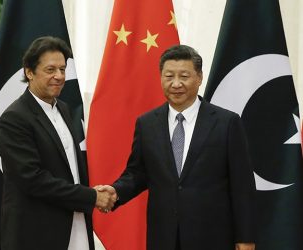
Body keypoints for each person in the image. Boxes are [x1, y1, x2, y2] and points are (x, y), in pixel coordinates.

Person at [98, 45, 256, 250]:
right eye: (169, 76)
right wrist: (115, 192)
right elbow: (138, 173)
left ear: (199, 78)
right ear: (161, 77)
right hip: (164, 236)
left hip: (212, 237)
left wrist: (245, 238)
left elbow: (242, 185)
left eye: (184, 76)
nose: (176, 83)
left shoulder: (226, 123)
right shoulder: (147, 124)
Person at [0, 36, 115, 250]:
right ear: (29, 72)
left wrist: (92, 193)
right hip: (38, 233)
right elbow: (33, 180)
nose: (59, 76)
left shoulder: (64, 108)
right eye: (50, 70)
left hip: (76, 224)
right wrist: (91, 196)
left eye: (62, 69)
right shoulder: (14, 118)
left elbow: (69, 170)